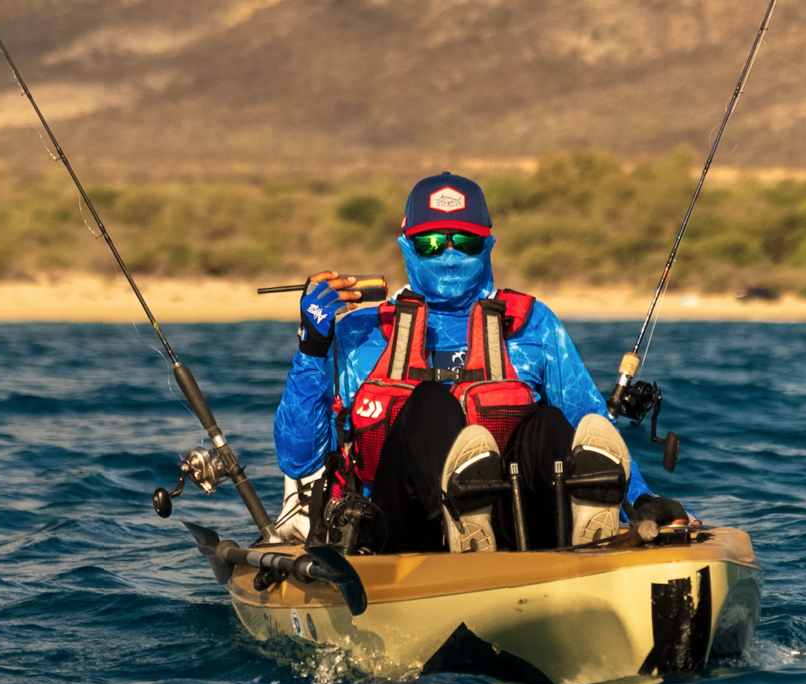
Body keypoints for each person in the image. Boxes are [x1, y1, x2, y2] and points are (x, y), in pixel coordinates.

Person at [273, 172, 689, 553]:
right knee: (430, 402)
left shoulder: (534, 325)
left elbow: (590, 419)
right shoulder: (358, 333)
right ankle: (462, 520)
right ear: (407, 248)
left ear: (488, 245)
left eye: (466, 243)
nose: (450, 257)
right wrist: (311, 349)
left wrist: (642, 499)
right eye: (432, 243)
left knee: (552, 427)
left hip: (515, 529)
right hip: (396, 534)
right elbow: (300, 460)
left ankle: (587, 521)